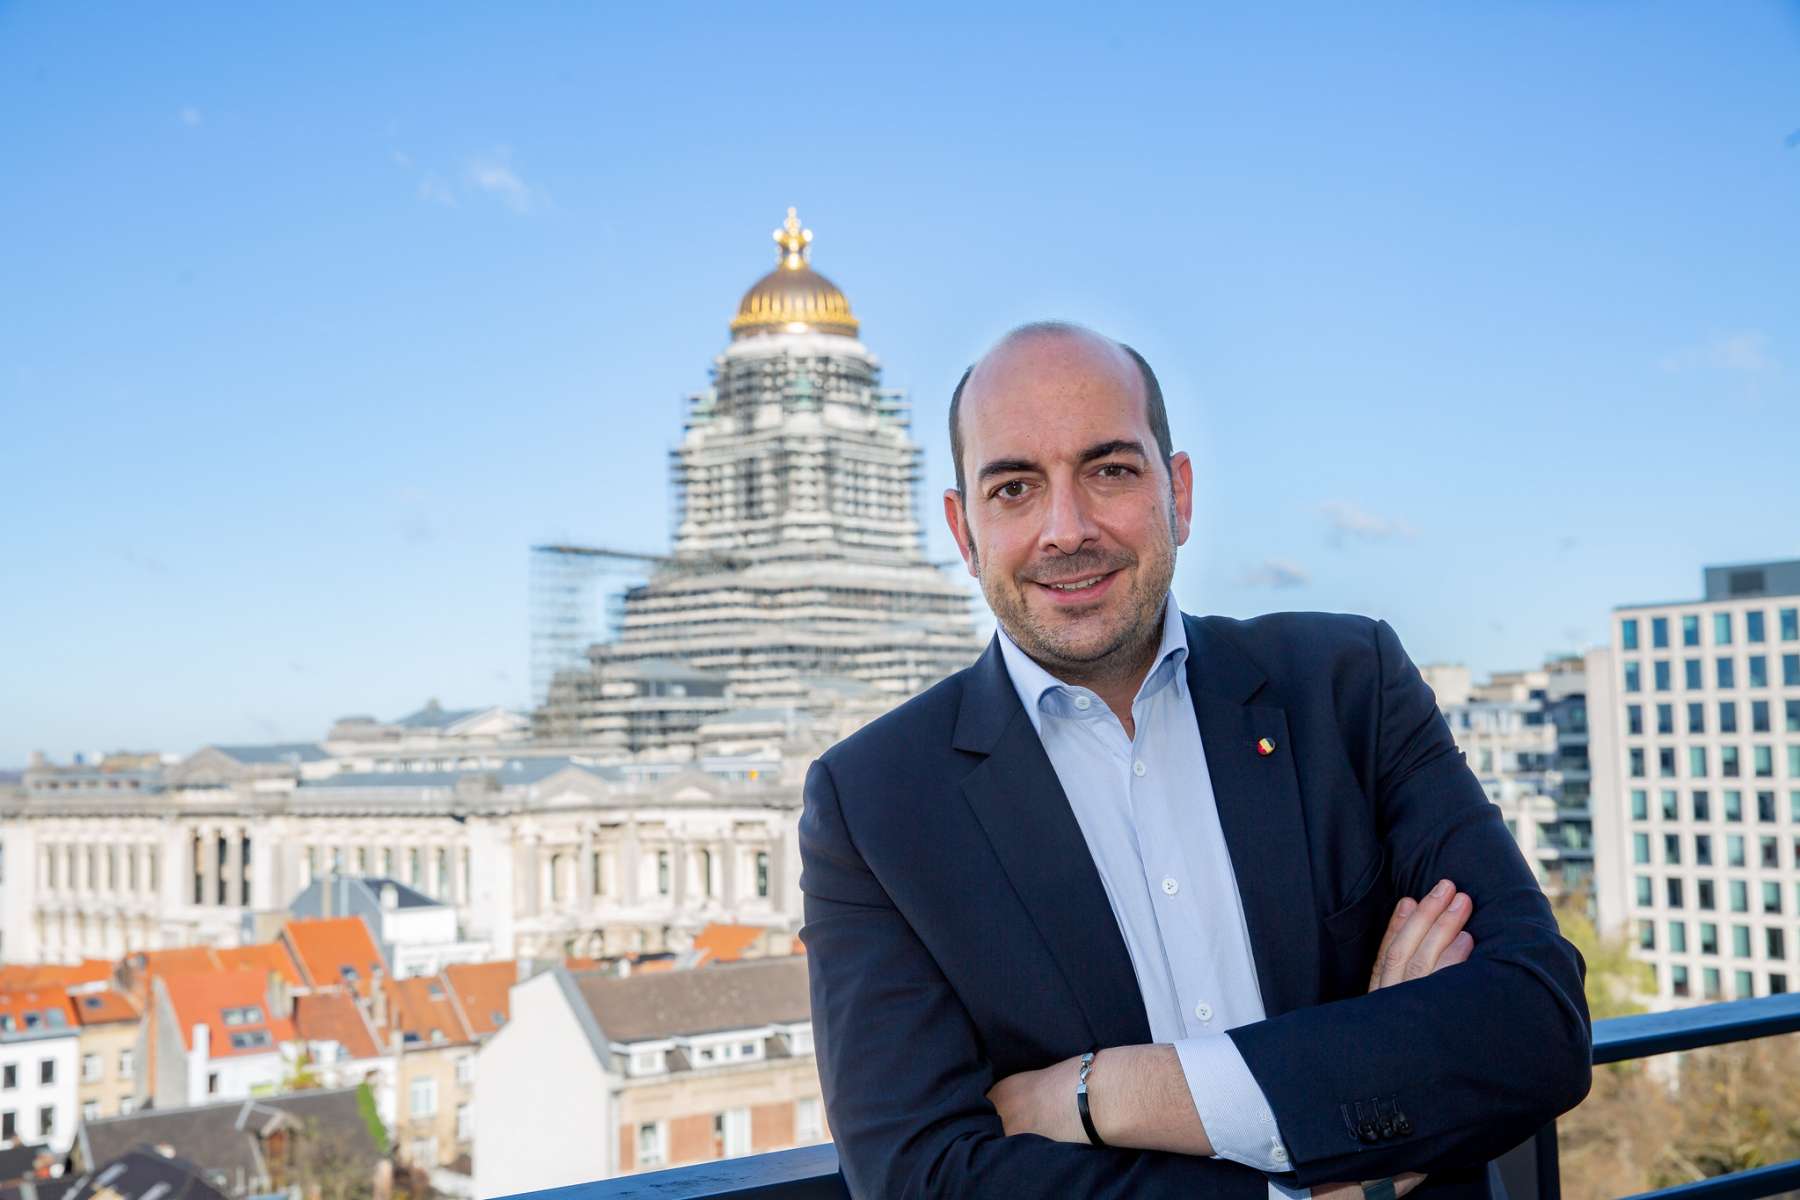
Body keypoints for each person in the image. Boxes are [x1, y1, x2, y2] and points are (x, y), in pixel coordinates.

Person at [798, 322, 1592, 1199]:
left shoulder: (1347, 688)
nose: (1066, 529)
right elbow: (920, 1178)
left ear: (1178, 491)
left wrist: (1106, 1094)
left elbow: (1534, 1028)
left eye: (1110, 471)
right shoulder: (875, 804)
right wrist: (1352, 1109)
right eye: (1015, 487)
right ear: (964, 529)